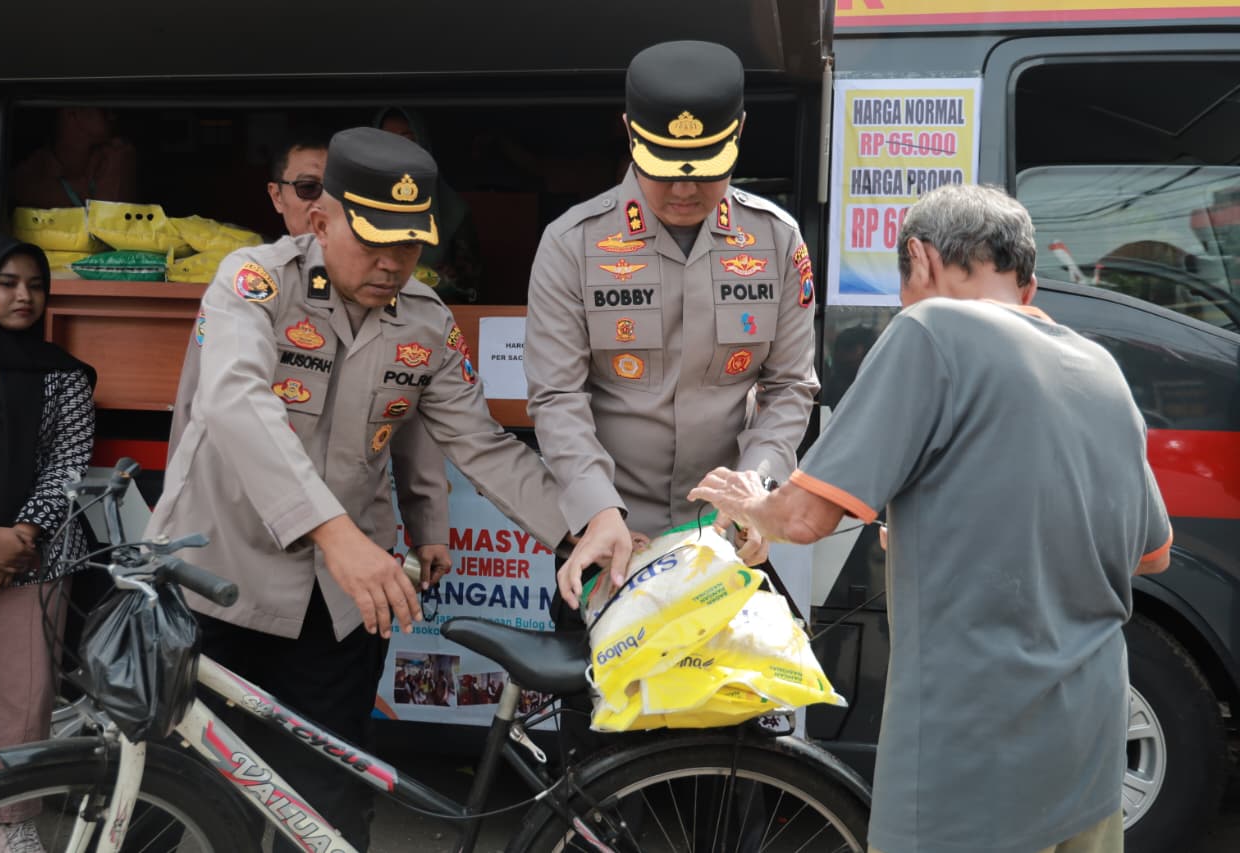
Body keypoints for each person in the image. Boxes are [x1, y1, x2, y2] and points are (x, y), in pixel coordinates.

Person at [147, 126, 606, 852]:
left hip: (333, 611)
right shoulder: (253, 282)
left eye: (411, 243)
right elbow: (235, 400)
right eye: (373, 240)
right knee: (183, 796)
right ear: (321, 219)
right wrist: (338, 537)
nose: (393, 263)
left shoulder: (426, 319)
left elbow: (481, 444)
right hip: (216, 580)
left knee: (325, 805)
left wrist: (586, 529)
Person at [688, 183, 1173, 853]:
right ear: (1027, 284)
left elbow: (802, 518)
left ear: (919, 258)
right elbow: (1151, 554)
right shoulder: (1101, 369)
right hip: (1090, 751)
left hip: (975, 759)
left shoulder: (932, 328)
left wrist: (749, 501)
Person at [526, 39, 819, 606]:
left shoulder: (776, 240)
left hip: (726, 540)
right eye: (665, 169)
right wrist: (596, 509)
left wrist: (752, 491)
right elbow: (558, 395)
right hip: (612, 538)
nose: (685, 189)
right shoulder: (573, 243)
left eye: (705, 170)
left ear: (738, 134)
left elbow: (789, 387)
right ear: (631, 134)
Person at [172, 128, 454, 585]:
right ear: (277, 196)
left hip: (352, 564)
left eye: (336, 190)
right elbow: (206, 411)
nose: (322, 201)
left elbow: (411, 411)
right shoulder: (252, 281)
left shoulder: (394, 291)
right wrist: (181, 498)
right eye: (308, 189)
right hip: (240, 550)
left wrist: (429, 524)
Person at [0, 235, 96, 853]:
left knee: (27, 688)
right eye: (8, 282)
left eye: (36, 285)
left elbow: (69, 460)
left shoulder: (63, 374)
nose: (24, 296)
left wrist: (20, 534)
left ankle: (10, 818)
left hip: (36, 554)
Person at [375, 107, 481, 302]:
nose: (397, 149)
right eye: (386, 140)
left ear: (422, 144)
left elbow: (469, 283)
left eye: (407, 139)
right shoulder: (357, 202)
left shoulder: (452, 208)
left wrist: (438, 280)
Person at [11, 107, 138, 209]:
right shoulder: (31, 174)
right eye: (103, 108)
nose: (112, 116)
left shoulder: (115, 156)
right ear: (72, 113)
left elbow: (112, 224)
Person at [265, 130, 329, 240]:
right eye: (309, 187)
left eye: (336, 190)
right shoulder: (249, 257)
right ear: (277, 196)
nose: (326, 202)